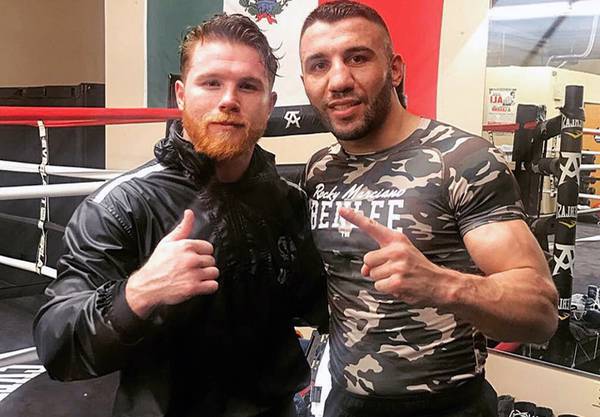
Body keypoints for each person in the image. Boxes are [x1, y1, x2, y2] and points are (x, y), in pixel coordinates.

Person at [33, 14, 327, 417]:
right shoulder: (123, 205)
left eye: (248, 86)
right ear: (181, 95)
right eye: (211, 83)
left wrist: (381, 276)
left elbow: (320, 305)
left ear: (269, 104)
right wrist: (138, 294)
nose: (229, 100)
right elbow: (57, 346)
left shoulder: (288, 201)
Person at [298, 2, 559, 417]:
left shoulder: (462, 159)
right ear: (305, 82)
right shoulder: (319, 170)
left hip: (448, 405)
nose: (339, 80)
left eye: (358, 58)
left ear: (395, 69)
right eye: (319, 65)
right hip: (346, 403)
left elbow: (542, 313)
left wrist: (441, 284)